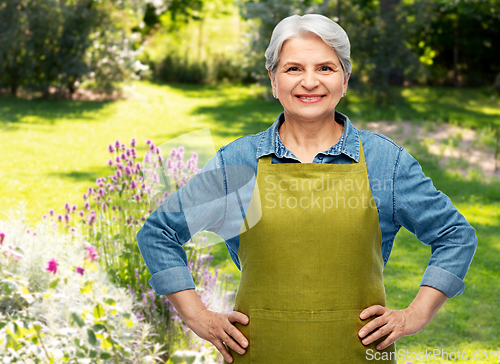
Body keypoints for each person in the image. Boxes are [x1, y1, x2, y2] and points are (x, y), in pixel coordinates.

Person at [136, 14, 478, 363]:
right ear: (273, 80)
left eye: (326, 68)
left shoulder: (383, 161)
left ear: (345, 80)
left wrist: (416, 314)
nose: (310, 82)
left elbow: (455, 235)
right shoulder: (239, 162)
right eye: (294, 69)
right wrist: (197, 315)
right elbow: (160, 231)